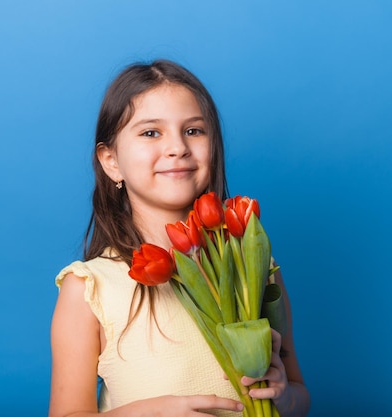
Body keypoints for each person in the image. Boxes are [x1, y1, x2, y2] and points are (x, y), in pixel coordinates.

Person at [49, 59, 310, 417]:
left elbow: (299, 395)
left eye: (194, 131)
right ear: (111, 161)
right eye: (150, 133)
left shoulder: (254, 267)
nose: (177, 148)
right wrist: (147, 413)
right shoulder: (89, 287)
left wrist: (283, 396)